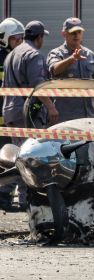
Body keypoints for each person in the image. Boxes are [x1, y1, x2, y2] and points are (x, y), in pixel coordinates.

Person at [2, 20, 58, 209]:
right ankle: (29, 201)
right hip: (27, 115)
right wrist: (51, 107)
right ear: (39, 37)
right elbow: (37, 86)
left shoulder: (12, 54)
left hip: (10, 111)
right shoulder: (33, 55)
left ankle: (18, 198)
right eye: (43, 37)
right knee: (31, 157)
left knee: (17, 156)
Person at [47, 17, 94, 122]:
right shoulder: (56, 53)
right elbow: (54, 70)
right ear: (64, 34)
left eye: (79, 32)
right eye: (73, 32)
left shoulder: (90, 55)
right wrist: (71, 59)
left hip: (88, 117)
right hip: (66, 119)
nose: (76, 35)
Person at [0, 17, 24, 210]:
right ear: (5, 38)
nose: (19, 43)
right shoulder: (4, 59)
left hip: (7, 119)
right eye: (15, 39)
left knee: (8, 158)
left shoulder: (13, 58)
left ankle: (5, 198)